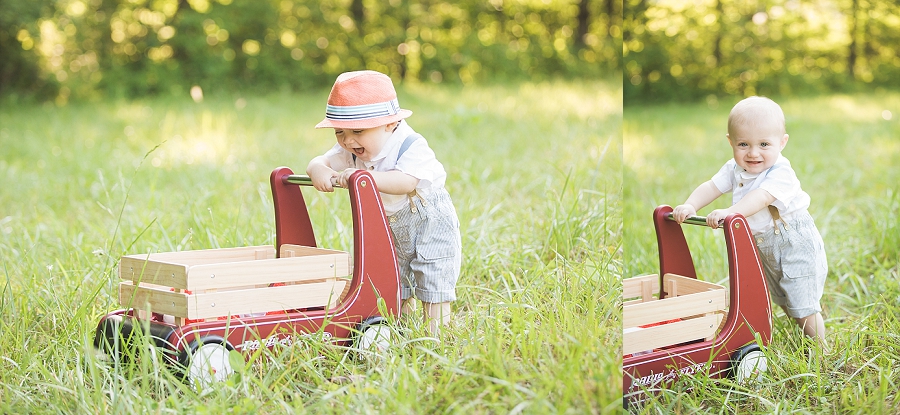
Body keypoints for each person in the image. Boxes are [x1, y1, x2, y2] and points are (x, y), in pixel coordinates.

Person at [306, 70, 461, 337]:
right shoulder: (352, 149)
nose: (347, 140)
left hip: (430, 223)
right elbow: (320, 161)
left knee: (431, 274)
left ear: (390, 124)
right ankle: (399, 326)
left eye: (357, 131)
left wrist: (363, 177)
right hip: (392, 224)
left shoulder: (410, 145)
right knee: (393, 276)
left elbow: (406, 182)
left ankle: (437, 336)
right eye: (339, 132)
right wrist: (318, 169)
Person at [671, 96, 828, 349]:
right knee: (784, 298)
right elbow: (712, 186)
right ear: (730, 142)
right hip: (766, 244)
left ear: (782, 142)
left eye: (764, 144)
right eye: (743, 144)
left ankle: (822, 351)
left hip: (795, 243)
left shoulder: (781, 172)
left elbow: (761, 197)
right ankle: (801, 336)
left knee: (802, 303)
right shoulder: (734, 167)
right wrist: (691, 205)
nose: (753, 153)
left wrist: (731, 212)